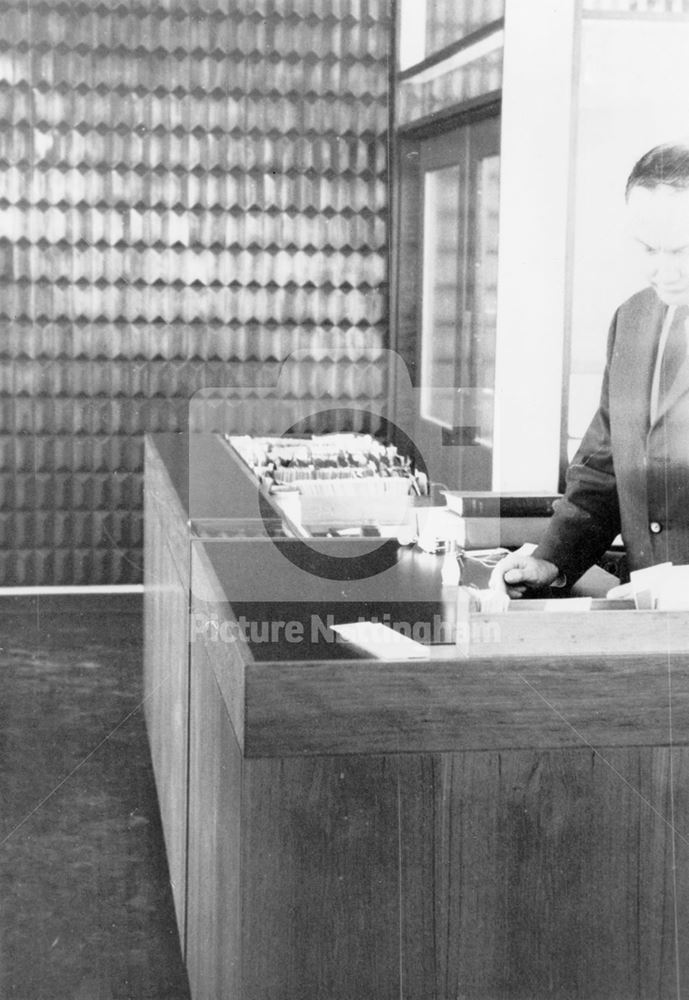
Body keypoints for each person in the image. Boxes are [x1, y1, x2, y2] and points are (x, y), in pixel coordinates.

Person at [490, 141, 689, 597]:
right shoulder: (632, 319)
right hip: (651, 628)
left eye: (682, 249)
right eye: (647, 249)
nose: (664, 271)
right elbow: (604, 469)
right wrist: (551, 561)